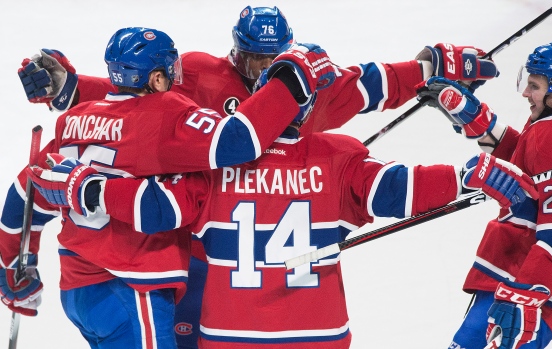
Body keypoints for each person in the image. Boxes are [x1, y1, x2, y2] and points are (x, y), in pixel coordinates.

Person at [16, 6, 500, 347]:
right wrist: (74, 87)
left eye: (272, 60)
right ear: (235, 50)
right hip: (196, 246)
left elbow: (372, 82)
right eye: (252, 59)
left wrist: (426, 68)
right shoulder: (202, 75)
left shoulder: (309, 81)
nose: (262, 70)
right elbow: (138, 97)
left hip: (226, 232)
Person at [0, 26, 336, 348]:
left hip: (78, 292)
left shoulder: (74, 119)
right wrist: (294, 76)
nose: (176, 79)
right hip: (131, 287)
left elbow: (27, 192)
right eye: (169, 70)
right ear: (157, 78)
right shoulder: (164, 113)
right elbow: (237, 140)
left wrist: (14, 265)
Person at [416, 42, 552, 349]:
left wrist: (522, 296)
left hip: (534, 283)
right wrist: (476, 120)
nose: (525, 93)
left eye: (534, 85)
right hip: (521, 272)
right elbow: (529, 161)